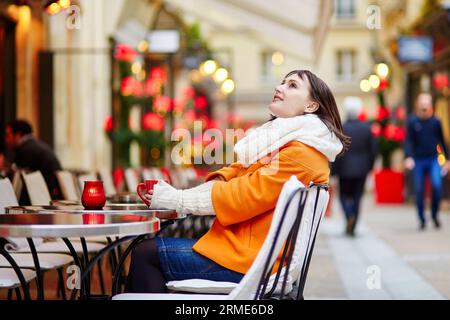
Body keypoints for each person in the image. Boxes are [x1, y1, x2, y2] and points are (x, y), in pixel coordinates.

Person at [125, 70, 350, 293]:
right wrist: (179, 198)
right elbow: (236, 172)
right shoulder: (288, 144)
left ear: (311, 106)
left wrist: (180, 199)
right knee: (152, 249)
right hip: (250, 253)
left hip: (252, 263)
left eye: (292, 85)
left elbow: (242, 196)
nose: (279, 88)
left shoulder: (301, 153)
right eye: (282, 82)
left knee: (146, 253)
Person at [404, 93, 450, 230]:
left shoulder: (436, 121)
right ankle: (422, 218)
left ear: (430, 105)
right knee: (419, 190)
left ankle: (435, 214)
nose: (424, 106)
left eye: (427, 103)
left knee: (437, 186)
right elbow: (409, 141)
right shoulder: (412, 121)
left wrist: (447, 159)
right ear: (418, 104)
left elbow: (442, 141)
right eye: (422, 103)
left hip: (433, 159)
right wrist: (409, 156)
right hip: (418, 160)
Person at [332, 97, 377, 236]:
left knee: (344, 196)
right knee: (357, 197)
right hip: (361, 169)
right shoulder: (367, 128)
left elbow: (336, 150)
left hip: (344, 169)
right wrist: (369, 166)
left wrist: (334, 171)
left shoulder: (341, 128)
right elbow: (373, 150)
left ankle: (349, 215)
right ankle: (353, 222)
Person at [5, 119, 63, 200]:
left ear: (18, 135)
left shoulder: (26, 150)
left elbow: (14, 180)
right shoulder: (35, 146)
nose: (6, 140)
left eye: (7, 135)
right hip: (55, 197)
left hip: (50, 200)